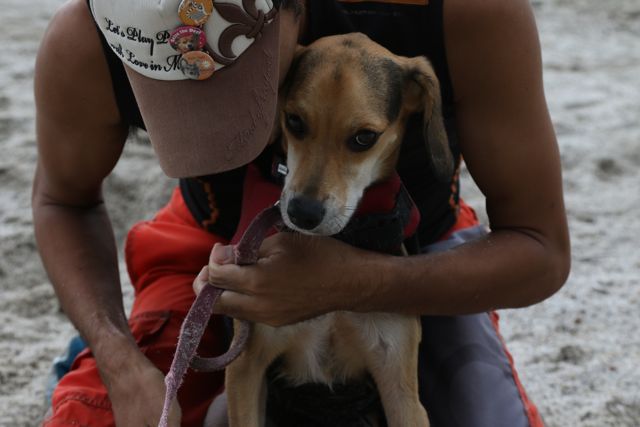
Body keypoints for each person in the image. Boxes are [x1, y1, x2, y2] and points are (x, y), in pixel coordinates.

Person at [34, 0, 570, 426]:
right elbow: (63, 200)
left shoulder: (464, 11)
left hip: (421, 249)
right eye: (182, 93)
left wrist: (360, 284)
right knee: (98, 416)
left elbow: (540, 249)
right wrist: (118, 358)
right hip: (206, 244)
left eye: (241, 80)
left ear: (294, 11)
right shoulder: (86, 37)